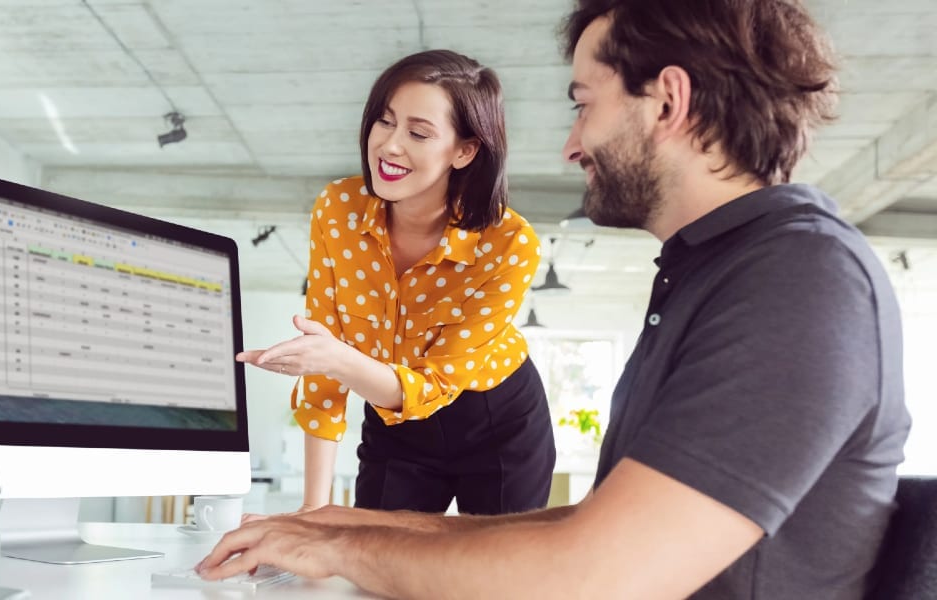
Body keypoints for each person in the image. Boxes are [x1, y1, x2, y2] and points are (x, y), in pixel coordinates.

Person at [201, 1, 913, 598]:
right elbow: (597, 532)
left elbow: (595, 574)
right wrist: (343, 528)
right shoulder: (714, 271)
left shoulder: (799, 278)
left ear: (669, 101)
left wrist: (344, 552)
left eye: (584, 106)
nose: (573, 145)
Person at [236, 49, 556, 516]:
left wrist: (337, 358)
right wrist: (313, 509)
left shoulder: (509, 244)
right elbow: (325, 356)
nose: (389, 145)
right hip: (391, 418)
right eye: (384, 122)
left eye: (419, 133)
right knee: (375, 568)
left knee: (488, 577)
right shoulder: (338, 209)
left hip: (494, 422)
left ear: (464, 150)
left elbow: (431, 384)